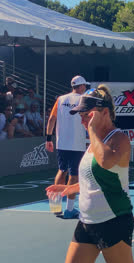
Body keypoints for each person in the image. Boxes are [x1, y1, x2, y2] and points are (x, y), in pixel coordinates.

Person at [46, 84, 134, 263]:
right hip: (87, 222)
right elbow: (96, 179)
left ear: (105, 113)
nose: (83, 121)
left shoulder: (119, 139)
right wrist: (70, 188)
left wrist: (92, 129)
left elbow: (105, 162)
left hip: (113, 220)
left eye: (87, 115)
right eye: (81, 116)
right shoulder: (94, 142)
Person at [45, 75, 88, 218]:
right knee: (73, 176)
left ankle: (56, 207)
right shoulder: (84, 99)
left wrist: (48, 139)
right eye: (84, 86)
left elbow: (51, 119)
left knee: (61, 171)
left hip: (62, 143)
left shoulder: (60, 99)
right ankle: (69, 210)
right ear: (81, 86)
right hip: (77, 144)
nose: (85, 88)